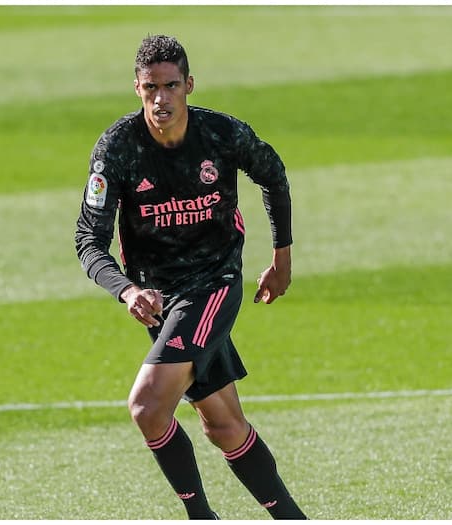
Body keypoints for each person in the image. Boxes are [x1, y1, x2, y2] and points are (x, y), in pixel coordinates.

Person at [75, 34, 307, 520]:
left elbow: (273, 174)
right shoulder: (117, 148)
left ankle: (200, 517)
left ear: (189, 86)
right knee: (223, 425)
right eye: (150, 88)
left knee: (146, 407)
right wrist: (127, 289)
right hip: (162, 298)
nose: (161, 98)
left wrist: (281, 257)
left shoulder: (220, 135)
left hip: (215, 282)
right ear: (136, 88)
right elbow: (88, 240)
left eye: (171, 86)